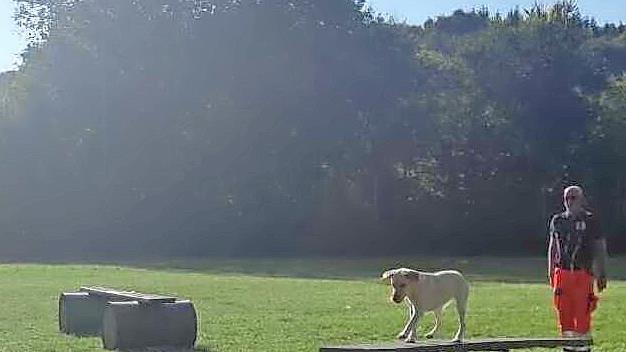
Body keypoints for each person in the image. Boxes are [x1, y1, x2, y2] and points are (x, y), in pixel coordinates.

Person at [548, 185, 608, 352]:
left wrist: (601, 273)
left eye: (573, 197)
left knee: (582, 314)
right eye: (567, 198)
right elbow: (553, 247)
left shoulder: (591, 220)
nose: (569, 201)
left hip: (583, 274)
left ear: (581, 200)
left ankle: (582, 348)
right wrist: (551, 270)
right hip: (563, 273)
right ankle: (567, 348)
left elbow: (600, 247)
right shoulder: (558, 220)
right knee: (563, 313)